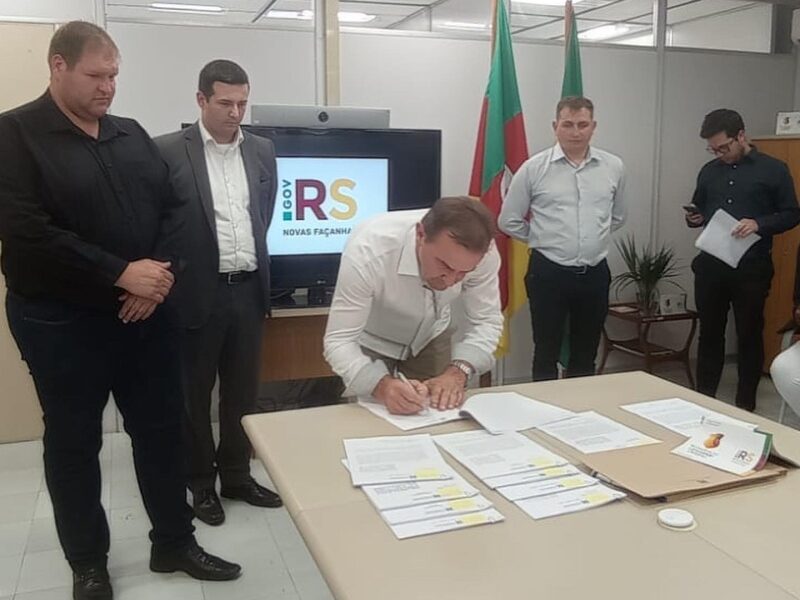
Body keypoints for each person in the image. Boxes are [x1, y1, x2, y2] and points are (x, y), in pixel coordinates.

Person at [0, 22, 242, 600]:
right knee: (74, 442)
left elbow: (175, 210)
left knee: (161, 432)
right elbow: (26, 231)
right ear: (58, 65)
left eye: (114, 75)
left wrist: (154, 278)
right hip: (61, 321)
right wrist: (118, 271)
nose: (108, 87)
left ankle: (174, 543)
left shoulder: (129, 133)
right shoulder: (15, 134)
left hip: (146, 315)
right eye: (96, 75)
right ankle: (88, 563)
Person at [155, 60, 281, 527]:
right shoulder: (168, 151)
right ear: (201, 100)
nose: (235, 113)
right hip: (194, 294)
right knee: (194, 397)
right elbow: (158, 226)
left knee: (242, 394)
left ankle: (237, 476)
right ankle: (200, 483)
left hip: (248, 290)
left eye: (242, 103)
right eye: (225, 103)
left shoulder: (263, 150)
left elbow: (262, 214)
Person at [323, 196, 503, 415]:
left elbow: (487, 321)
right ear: (420, 235)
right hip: (373, 339)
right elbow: (339, 340)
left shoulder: (484, 253)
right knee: (371, 419)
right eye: (444, 265)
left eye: (464, 273)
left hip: (432, 334)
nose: (450, 281)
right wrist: (380, 386)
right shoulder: (368, 251)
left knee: (437, 411)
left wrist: (457, 372)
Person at [498, 96, 627, 381]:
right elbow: (508, 220)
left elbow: (618, 216)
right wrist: (543, 238)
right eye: (568, 124)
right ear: (555, 126)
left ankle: (580, 407)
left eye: (582, 124)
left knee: (586, 352)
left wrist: (589, 237)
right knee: (546, 350)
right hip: (549, 272)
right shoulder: (534, 168)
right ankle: (542, 406)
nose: (575, 132)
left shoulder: (613, 166)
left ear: (593, 126)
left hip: (594, 272)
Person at [686, 108, 800, 411]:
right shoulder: (709, 171)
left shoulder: (774, 170)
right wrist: (695, 218)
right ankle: (703, 401)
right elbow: (700, 207)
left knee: (749, 334)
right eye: (713, 149)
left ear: (741, 136)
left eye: (724, 147)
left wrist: (759, 224)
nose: (720, 154)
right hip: (711, 264)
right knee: (710, 334)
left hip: (751, 267)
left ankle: (745, 405)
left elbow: (792, 214)